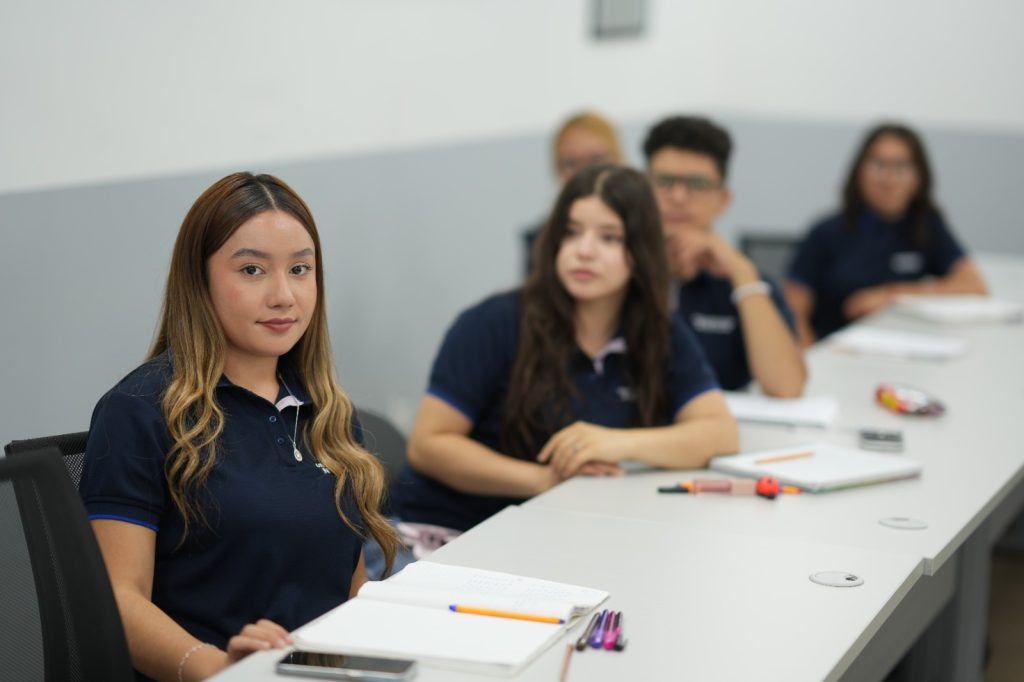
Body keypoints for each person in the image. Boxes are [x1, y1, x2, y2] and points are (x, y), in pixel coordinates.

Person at [79, 172, 399, 682]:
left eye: (300, 269)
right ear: (199, 281)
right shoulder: (139, 411)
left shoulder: (328, 412)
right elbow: (116, 598)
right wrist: (217, 668)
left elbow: (347, 586)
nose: (284, 295)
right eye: (252, 270)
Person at [389, 164, 738, 559]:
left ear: (641, 252)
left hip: (553, 539)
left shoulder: (658, 333)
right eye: (572, 232)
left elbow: (719, 433)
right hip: (448, 536)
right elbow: (429, 445)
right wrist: (542, 479)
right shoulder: (493, 322)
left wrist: (616, 443)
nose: (584, 250)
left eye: (609, 237)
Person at [642, 116, 806, 397]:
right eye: (665, 181)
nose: (678, 196)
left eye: (697, 184)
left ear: (723, 199)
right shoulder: (617, 272)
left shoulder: (743, 279)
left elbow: (786, 386)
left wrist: (742, 274)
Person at [784, 123, 988, 345]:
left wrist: (891, 296)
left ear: (919, 177)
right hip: (834, 349)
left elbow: (973, 285)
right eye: (878, 165)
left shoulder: (925, 227)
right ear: (859, 171)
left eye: (901, 167)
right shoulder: (826, 232)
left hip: (903, 346)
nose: (889, 178)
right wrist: (809, 357)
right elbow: (793, 309)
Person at [523, 112, 624, 274]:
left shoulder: (647, 223)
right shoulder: (540, 240)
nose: (584, 172)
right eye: (570, 163)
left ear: (619, 159)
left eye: (596, 160)